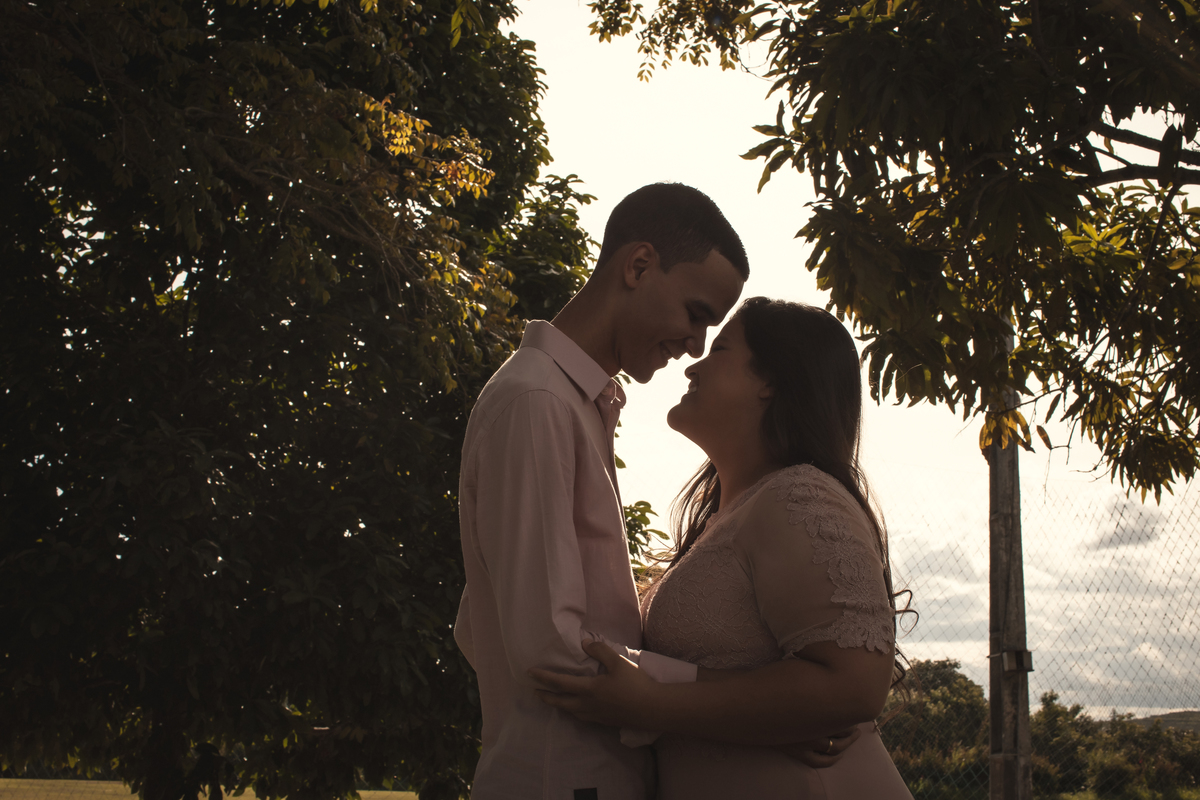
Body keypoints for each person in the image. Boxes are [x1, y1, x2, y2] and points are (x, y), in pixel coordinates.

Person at [531, 297, 915, 799]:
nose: (694, 364)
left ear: (770, 381)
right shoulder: (736, 514)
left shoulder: (799, 496)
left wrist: (654, 706)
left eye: (722, 349)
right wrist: (766, 721)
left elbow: (853, 685)